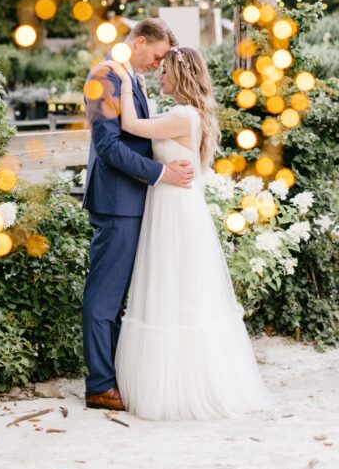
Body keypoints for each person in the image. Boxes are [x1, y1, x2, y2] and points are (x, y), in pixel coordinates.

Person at [113, 46, 272, 420]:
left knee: (173, 286)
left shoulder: (183, 116)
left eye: (165, 72)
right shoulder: (186, 114)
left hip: (174, 208)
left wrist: (124, 82)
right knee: (177, 286)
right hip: (172, 203)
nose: (160, 76)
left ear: (181, 77)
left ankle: (177, 389)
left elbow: (132, 126)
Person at [82, 19, 194, 412]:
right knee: (105, 295)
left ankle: (113, 375)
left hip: (133, 200)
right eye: (158, 56)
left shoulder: (129, 78)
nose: (159, 64)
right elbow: (109, 147)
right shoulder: (105, 77)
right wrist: (162, 173)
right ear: (140, 42)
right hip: (116, 201)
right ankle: (99, 384)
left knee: (119, 296)